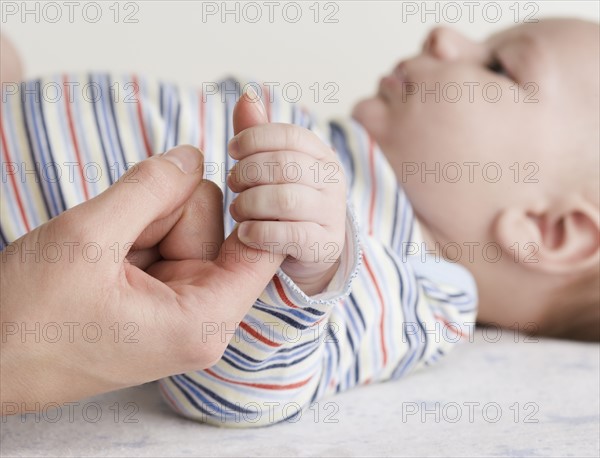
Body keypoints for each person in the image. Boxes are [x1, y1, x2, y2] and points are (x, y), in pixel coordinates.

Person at [1, 18, 598, 426]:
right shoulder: (332, 146)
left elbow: (236, 390)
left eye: (497, 66)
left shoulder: (418, 288)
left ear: (548, 231)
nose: (444, 34)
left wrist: (308, 274)